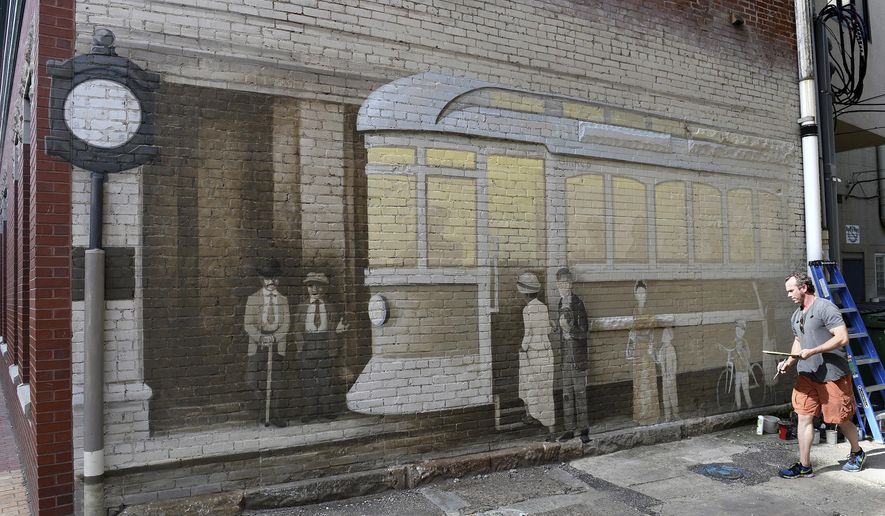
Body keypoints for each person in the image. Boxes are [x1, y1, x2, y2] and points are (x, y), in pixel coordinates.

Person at [777, 271, 865, 478]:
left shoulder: (825, 307)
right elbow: (798, 341)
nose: (789, 295)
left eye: (791, 290)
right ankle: (804, 465)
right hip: (807, 375)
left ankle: (857, 451)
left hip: (832, 375)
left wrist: (814, 351)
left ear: (803, 287)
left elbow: (842, 338)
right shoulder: (796, 315)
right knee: (803, 418)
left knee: (840, 419)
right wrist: (789, 361)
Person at [295, 272, 349, 422]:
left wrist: (338, 331)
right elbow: (297, 328)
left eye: (319, 286)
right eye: (311, 286)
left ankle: (326, 409)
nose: (315, 289)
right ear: (307, 288)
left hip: (326, 344)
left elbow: (336, 327)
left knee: (326, 379)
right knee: (308, 380)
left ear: (325, 288)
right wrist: (300, 346)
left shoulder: (331, 307)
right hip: (308, 345)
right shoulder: (302, 307)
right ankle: (310, 411)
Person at [244, 257, 290, 428]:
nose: (271, 282)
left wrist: (274, 338)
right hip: (257, 345)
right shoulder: (253, 299)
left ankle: (274, 414)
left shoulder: (283, 300)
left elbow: (286, 324)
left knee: (276, 382)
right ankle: (264, 410)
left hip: (277, 344)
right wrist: (261, 337)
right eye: (268, 278)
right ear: (261, 279)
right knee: (252, 380)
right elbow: (248, 324)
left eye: (275, 278)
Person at [516, 272, 556, 440]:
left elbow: (529, 333)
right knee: (546, 390)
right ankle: (550, 428)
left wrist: (522, 347)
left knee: (529, 383)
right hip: (547, 352)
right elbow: (547, 329)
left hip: (534, 353)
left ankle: (531, 414)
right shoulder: (543, 307)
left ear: (525, 293)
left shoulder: (527, 310)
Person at [554, 268, 590, 443]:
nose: (564, 287)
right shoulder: (560, 303)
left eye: (566, 283)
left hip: (577, 356)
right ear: (557, 285)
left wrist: (571, 332)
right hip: (565, 357)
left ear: (571, 284)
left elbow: (584, 331)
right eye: (561, 283)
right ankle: (569, 429)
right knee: (566, 394)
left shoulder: (578, 304)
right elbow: (561, 330)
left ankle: (583, 430)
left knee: (579, 393)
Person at [628, 280, 660, 425]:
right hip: (637, 350)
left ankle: (651, 415)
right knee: (639, 381)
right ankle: (640, 416)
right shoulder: (634, 311)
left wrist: (650, 344)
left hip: (647, 348)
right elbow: (632, 330)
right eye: (639, 293)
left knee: (649, 379)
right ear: (635, 294)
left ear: (646, 294)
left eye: (644, 293)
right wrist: (632, 339)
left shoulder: (650, 311)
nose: (642, 295)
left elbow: (651, 331)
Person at [657, 327, 679, 421]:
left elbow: (674, 361)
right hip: (664, 376)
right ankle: (667, 416)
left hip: (671, 375)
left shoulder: (671, 348)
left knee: (673, 395)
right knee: (665, 396)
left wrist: (673, 373)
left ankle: (676, 414)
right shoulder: (662, 349)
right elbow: (659, 361)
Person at [732, 319, 752, 410]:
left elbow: (748, 355)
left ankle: (750, 406)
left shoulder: (744, 342)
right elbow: (731, 351)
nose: (738, 332)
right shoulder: (734, 341)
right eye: (737, 330)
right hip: (737, 370)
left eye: (740, 330)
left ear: (743, 332)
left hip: (744, 370)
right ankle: (738, 407)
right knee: (737, 389)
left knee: (745, 389)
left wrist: (741, 352)